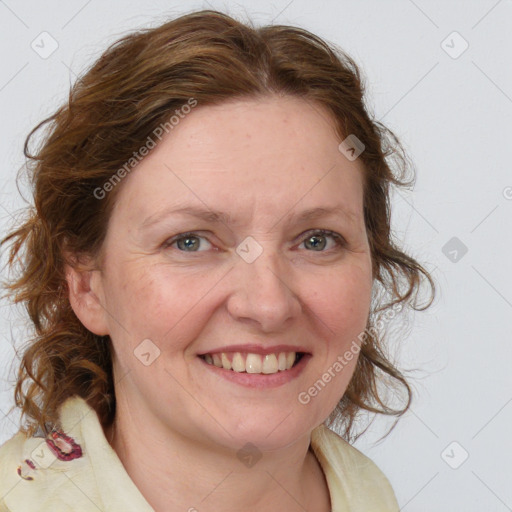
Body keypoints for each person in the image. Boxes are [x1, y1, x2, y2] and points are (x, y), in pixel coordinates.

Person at [0, 9, 435, 512]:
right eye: (190, 242)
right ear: (86, 286)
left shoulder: (370, 496)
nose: (268, 305)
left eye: (316, 240)